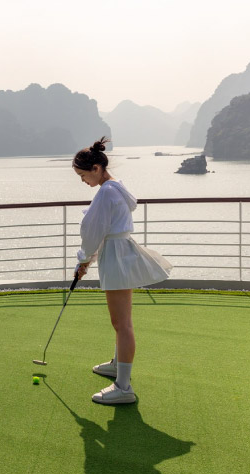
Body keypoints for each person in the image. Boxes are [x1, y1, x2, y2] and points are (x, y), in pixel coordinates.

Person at [73, 137, 172, 405]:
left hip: (117, 256)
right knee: (121, 322)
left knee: (122, 323)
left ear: (96, 168)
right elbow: (101, 231)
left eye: (83, 175)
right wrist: (88, 260)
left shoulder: (105, 192)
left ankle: (124, 386)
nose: (83, 181)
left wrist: (83, 260)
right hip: (118, 252)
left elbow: (92, 232)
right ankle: (118, 364)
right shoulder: (115, 186)